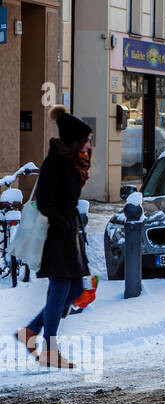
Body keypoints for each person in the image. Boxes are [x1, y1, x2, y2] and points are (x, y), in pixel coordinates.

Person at [15, 106, 93, 369]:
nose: (88, 144)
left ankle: (31, 331)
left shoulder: (72, 162)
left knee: (76, 289)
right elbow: (46, 202)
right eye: (85, 140)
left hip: (68, 233)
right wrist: (62, 222)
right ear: (73, 141)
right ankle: (49, 349)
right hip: (57, 235)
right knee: (61, 289)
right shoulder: (54, 163)